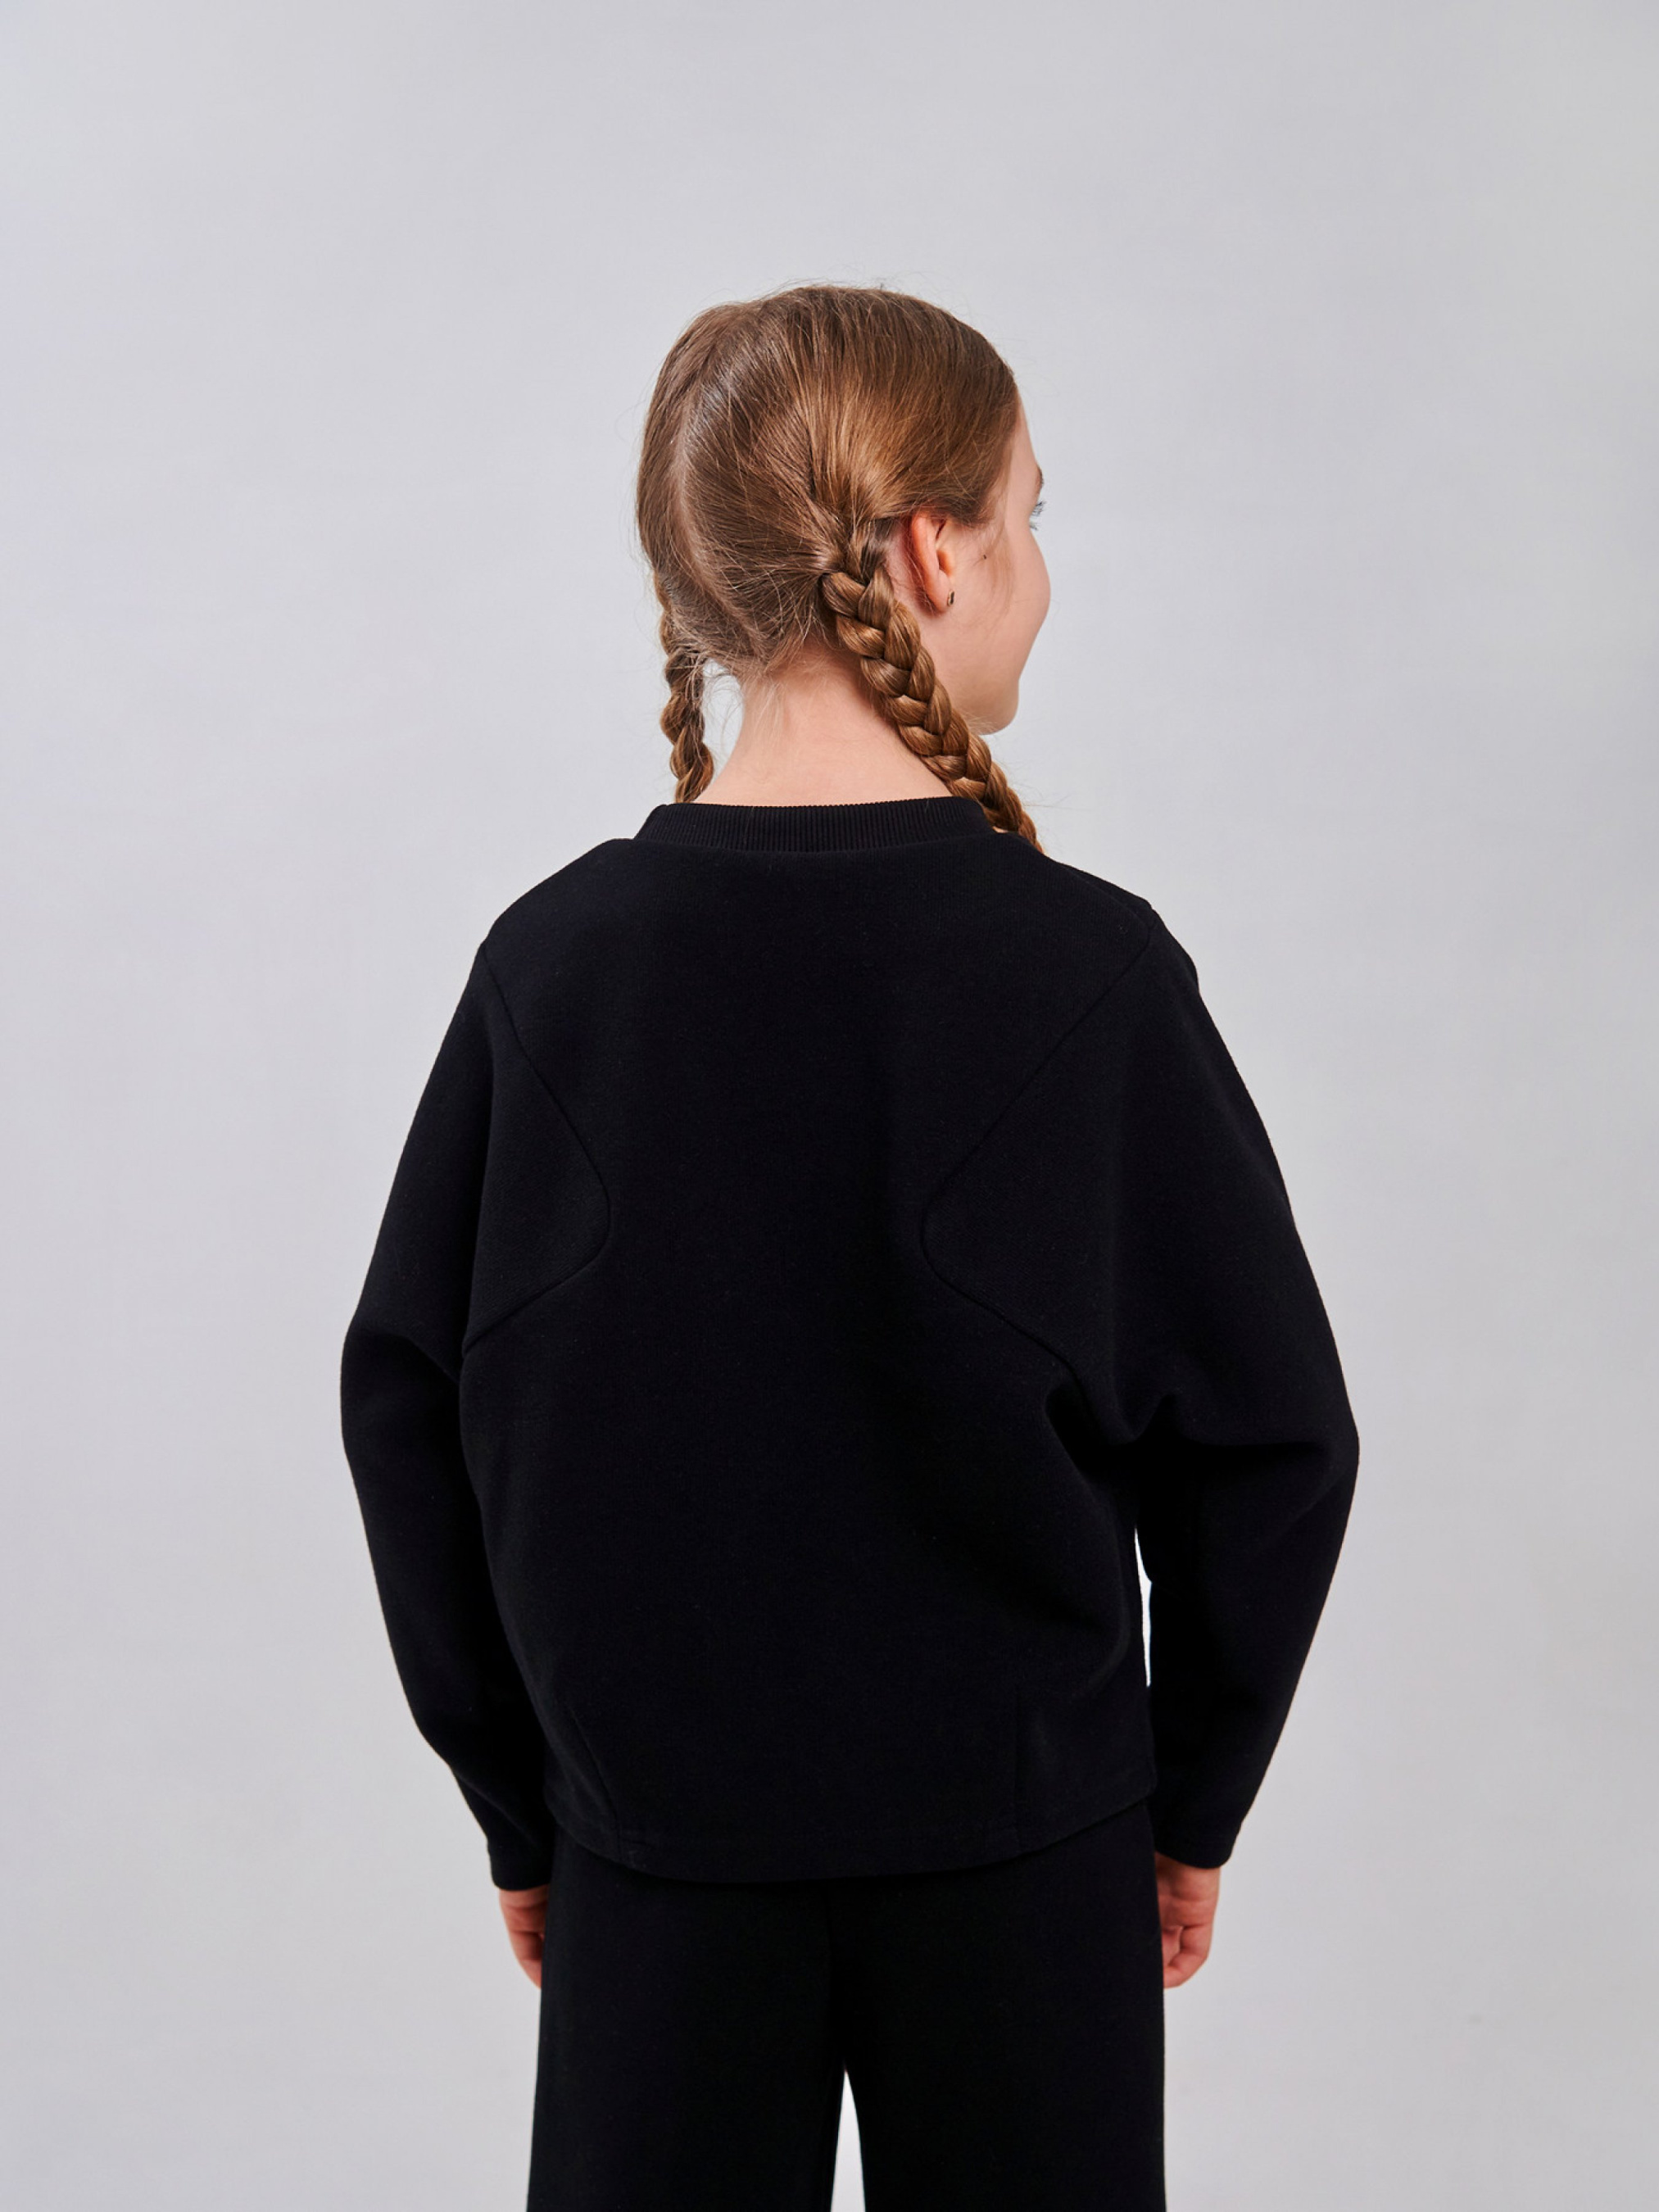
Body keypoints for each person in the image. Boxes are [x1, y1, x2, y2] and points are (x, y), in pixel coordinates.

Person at [339, 283, 1361, 2211]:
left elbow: (411, 1410)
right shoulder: (1087, 972)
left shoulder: (553, 975)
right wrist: (1189, 1793)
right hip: (1028, 1854)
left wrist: (524, 1804)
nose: (1042, 565)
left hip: (654, 1854)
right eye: (1034, 511)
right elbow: (1269, 1440)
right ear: (933, 550)